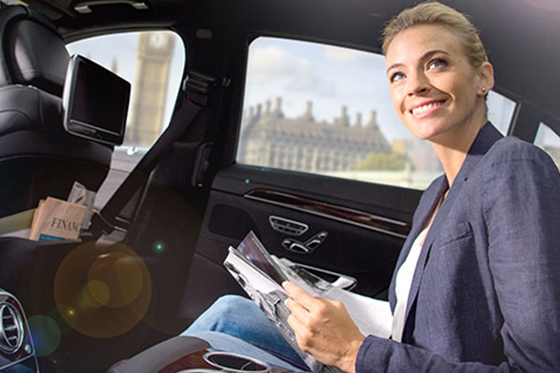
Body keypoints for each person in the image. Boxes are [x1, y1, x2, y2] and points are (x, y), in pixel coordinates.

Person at [182, 2, 560, 372]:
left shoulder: (512, 164)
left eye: (436, 63)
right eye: (398, 75)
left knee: (182, 355)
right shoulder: (436, 192)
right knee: (228, 312)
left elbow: (541, 366)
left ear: (484, 78)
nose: (415, 86)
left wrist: (355, 353)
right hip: (390, 356)